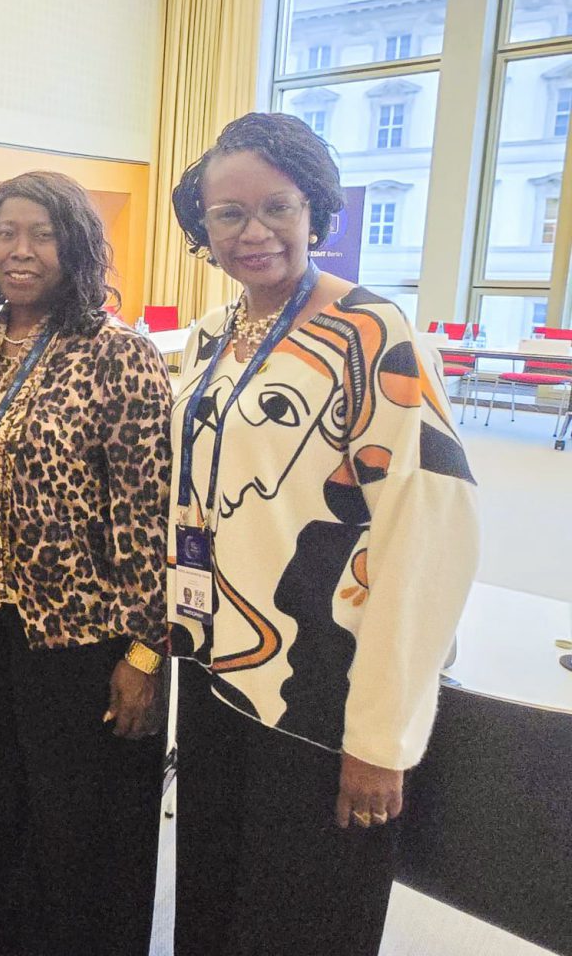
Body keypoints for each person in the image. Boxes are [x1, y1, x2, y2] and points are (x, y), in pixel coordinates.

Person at [167, 112, 480, 956]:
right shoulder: (209, 336)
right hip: (219, 669)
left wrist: (382, 736)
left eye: (277, 206)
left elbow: (429, 535)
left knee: (302, 916)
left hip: (326, 687)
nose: (254, 232)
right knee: (214, 899)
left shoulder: (376, 335)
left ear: (315, 209)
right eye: (228, 213)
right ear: (203, 225)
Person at [0, 171, 173, 956]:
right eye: (5, 233)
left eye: (42, 234)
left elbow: (148, 519)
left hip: (82, 628)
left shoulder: (120, 355)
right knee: (0, 779)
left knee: (76, 803)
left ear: (78, 248)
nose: (19, 251)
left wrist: (146, 650)